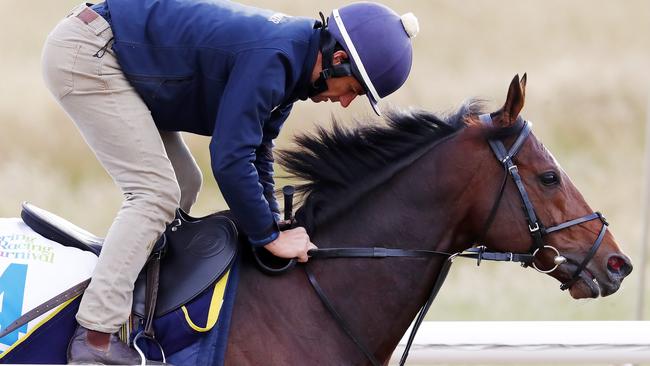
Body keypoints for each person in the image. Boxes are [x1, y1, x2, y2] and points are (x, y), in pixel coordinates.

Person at [41, 0, 418, 364]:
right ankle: (96, 337)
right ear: (337, 61)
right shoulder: (276, 57)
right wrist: (268, 237)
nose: (347, 102)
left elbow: (258, 150)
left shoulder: (292, 61)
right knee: (155, 194)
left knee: (185, 183)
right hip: (89, 52)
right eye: (353, 89)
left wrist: (273, 224)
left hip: (115, 50)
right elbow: (229, 157)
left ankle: (140, 310)